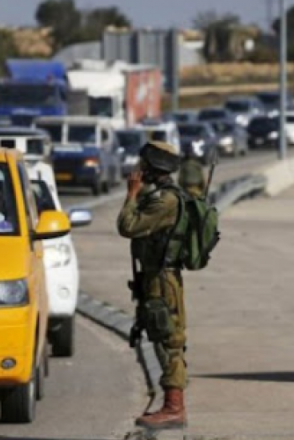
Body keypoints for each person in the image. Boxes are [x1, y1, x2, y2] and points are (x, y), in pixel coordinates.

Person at [117, 141, 188, 429]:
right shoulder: (159, 195)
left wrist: (131, 194)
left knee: (169, 340)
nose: (138, 169)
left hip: (163, 280)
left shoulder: (166, 201)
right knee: (161, 338)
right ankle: (171, 404)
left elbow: (128, 226)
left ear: (154, 167)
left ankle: (174, 408)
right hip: (155, 277)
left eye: (143, 165)